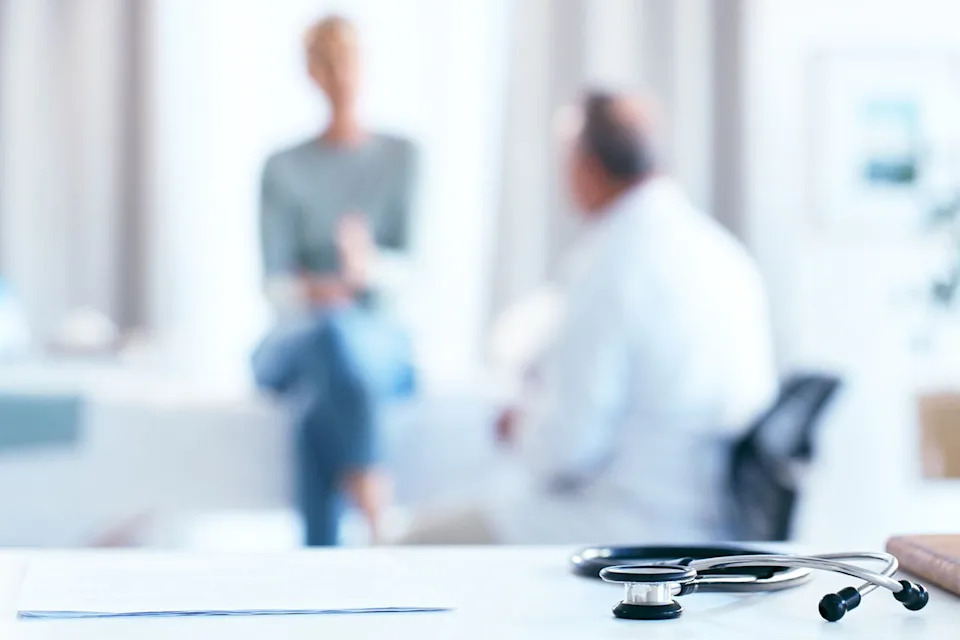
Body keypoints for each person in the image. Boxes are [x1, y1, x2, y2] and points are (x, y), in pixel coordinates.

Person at [407, 91, 776, 544]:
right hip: (715, 518)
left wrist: (519, 424)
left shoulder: (612, 266)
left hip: (629, 522)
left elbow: (567, 448)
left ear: (586, 167)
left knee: (407, 547)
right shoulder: (721, 251)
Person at [252, 16, 417, 546]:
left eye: (347, 60)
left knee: (317, 407)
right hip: (298, 337)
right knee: (329, 335)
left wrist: (364, 268)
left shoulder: (401, 157)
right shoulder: (282, 166)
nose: (339, 75)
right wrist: (318, 291)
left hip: (375, 337)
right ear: (310, 74)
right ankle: (375, 513)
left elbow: (407, 267)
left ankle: (317, 565)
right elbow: (275, 284)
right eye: (326, 63)